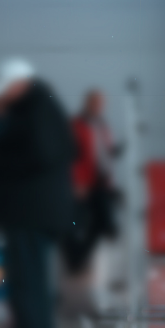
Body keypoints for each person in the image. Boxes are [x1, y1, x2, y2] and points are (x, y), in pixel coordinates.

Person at [0, 58, 76, 328]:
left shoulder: (36, 109)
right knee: (31, 283)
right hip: (38, 212)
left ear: (20, 84)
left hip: (29, 213)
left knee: (28, 284)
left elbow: (37, 155)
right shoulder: (45, 107)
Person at [63, 89, 118, 274]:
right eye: (95, 102)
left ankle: (78, 259)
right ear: (87, 102)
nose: (99, 106)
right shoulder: (76, 125)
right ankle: (74, 259)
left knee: (103, 224)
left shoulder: (102, 125)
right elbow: (71, 156)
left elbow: (104, 152)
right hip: (83, 183)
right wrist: (77, 181)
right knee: (75, 224)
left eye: (101, 102)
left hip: (101, 181)